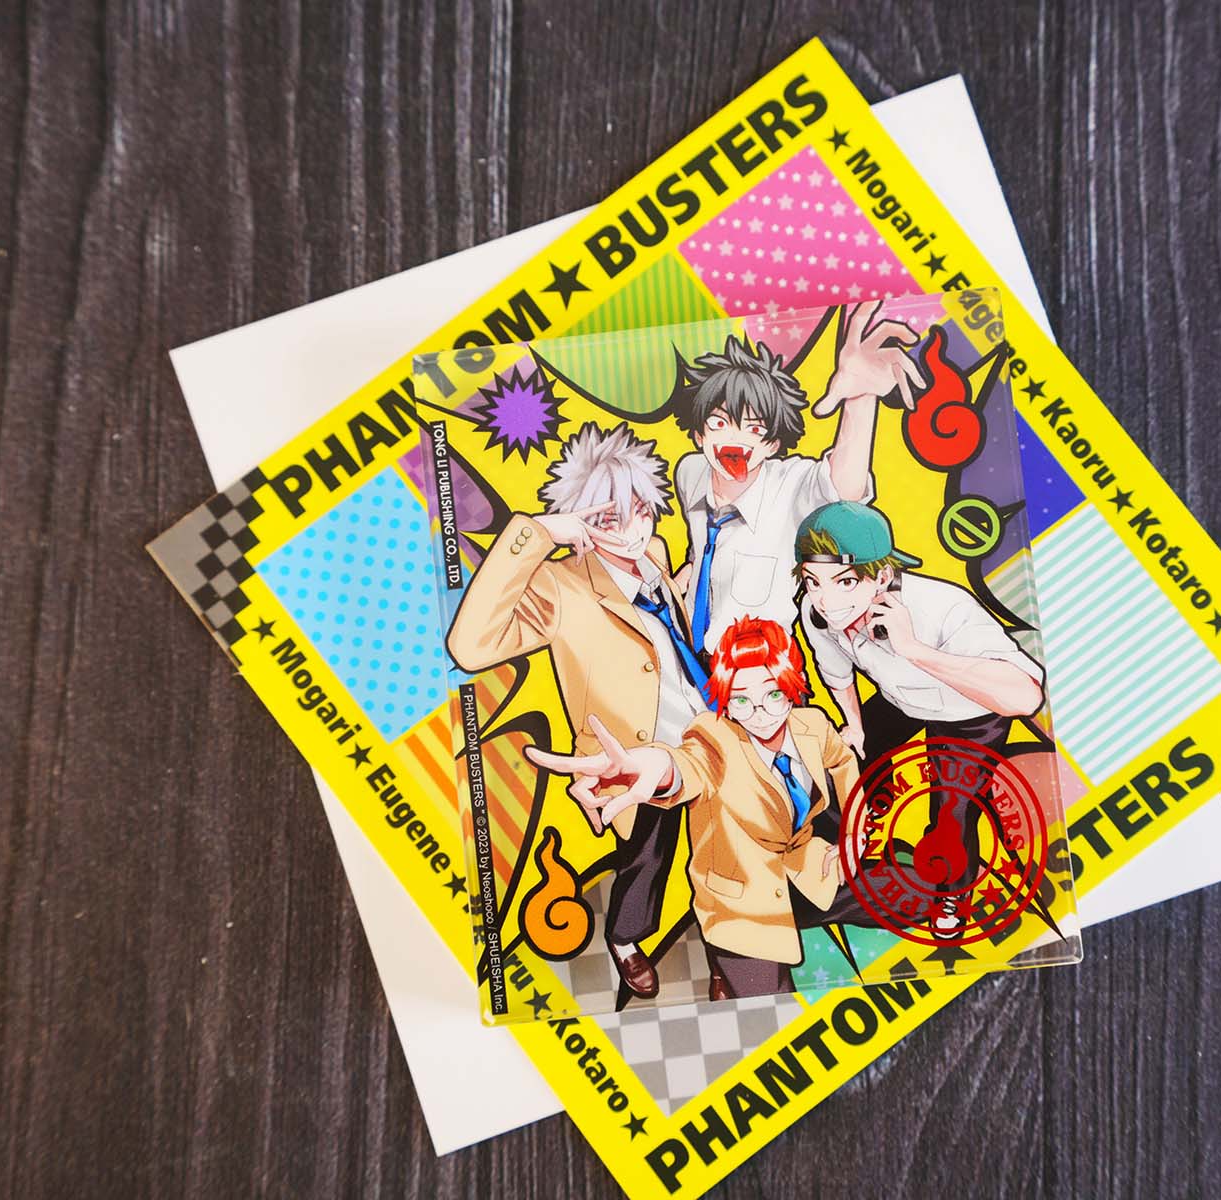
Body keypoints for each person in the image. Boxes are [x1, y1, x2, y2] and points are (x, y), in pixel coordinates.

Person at [446, 422, 707, 999]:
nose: (633, 531)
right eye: (609, 519)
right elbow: (469, 647)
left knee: (725, 833)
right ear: (581, 521)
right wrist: (538, 534)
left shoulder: (655, 554)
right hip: (631, 753)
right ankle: (626, 939)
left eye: (641, 511)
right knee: (648, 857)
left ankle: (734, 940)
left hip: (701, 730)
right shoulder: (558, 587)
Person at [526, 616, 891, 1000]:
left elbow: (841, 761)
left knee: (915, 890)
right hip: (742, 910)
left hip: (809, 872)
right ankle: (720, 966)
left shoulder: (811, 724)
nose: (760, 713)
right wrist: (659, 768)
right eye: (741, 701)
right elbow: (688, 766)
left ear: (793, 685)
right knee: (770, 1010)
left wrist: (854, 831)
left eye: (772, 694)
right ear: (726, 702)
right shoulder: (713, 738)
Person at [793, 501, 1048, 932]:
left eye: (846, 581)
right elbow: (836, 672)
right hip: (900, 701)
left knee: (951, 811)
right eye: (812, 581)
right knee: (846, 761)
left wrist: (914, 650)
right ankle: (839, 851)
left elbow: (1024, 696)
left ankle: (950, 898)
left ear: (882, 578)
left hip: (968, 712)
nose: (826, 599)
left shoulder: (944, 607)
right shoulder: (815, 612)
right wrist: (854, 725)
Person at [672, 300, 925, 655]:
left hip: (758, 667)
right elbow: (701, 548)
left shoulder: (791, 486)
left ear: (773, 444)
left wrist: (861, 398)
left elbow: (845, 490)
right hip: (686, 653)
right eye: (719, 423)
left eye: (754, 429)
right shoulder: (690, 472)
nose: (735, 439)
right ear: (699, 434)